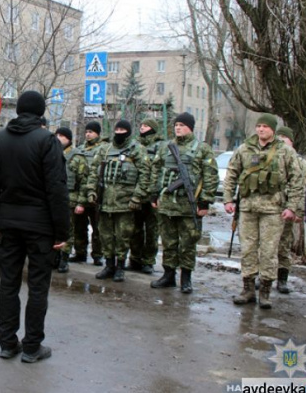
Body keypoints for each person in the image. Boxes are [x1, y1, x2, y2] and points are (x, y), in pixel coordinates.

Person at [0, 91, 69, 363]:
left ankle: (7, 343)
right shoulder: (47, 141)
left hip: (8, 222)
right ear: (41, 111)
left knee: (7, 284)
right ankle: (32, 346)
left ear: (18, 110)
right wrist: (61, 231)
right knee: (38, 286)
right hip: (40, 226)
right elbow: (57, 189)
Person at [224, 114, 304, 309]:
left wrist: (292, 207)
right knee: (248, 250)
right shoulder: (244, 149)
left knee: (268, 252)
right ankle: (248, 289)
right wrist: (228, 199)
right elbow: (231, 173)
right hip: (248, 208)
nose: (260, 130)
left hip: (273, 209)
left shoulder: (284, 151)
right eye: (258, 126)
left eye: (265, 127)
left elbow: (297, 180)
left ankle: (266, 291)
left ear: (273, 130)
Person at [149, 112, 218, 294]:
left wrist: (204, 202)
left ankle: (186, 278)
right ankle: (168, 275)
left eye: (181, 125)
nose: (177, 127)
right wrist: (154, 194)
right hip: (167, 204)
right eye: (176, 125)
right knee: (168, 242)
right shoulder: (166, 147)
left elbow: (210, 176)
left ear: (190, 127)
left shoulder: (202, 149)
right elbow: (155, 170)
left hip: (189, 205)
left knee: (188, 244)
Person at [86, 120, 150, 282]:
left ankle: (120, 266)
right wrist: (91, 191)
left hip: (126, 203)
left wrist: (137, 197)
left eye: (123, 129)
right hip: (105, 201)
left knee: (123, 236)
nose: (119, 132)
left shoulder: (137, 150)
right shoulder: (105, 149)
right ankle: (109, 265)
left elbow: (145, 175)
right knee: (105, 235)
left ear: (128, 132)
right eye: (117, 129)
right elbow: (94, 172)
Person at [274, 126, 306, 293]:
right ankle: (264, 275)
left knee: (284, 245)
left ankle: (282, 278)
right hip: (271, 208)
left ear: (291, 141)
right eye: (279, 137)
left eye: (285, 137)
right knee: (266, 246)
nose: (281, 140)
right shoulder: (272, 157)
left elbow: (304, 189)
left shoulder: (301, 163)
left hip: (288, 209)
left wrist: (299, 211)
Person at [129, 118, 165, 274]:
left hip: (152, 196)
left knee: (152, 231)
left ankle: (148, 261)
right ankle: (135, 259)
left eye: (146, 126)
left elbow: (159, 171)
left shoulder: (161, 146)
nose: (142, 128)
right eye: (141, 125)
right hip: (136, 194)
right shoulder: (135, 145)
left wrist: (154, 192)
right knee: (135, 230)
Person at [69, 121, 105, 265]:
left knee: (97, 228)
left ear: (97, 133)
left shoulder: (103, 149)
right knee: (79, 226)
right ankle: (80, 252)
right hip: (80, 194)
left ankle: (97, 255)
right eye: (87, 131)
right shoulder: (80, 149)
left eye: (91, 131)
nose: (88, 134)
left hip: (96, 194)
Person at [55, 126, 87, 273]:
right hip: (54, 199)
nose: (58, 138)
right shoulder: (51, 154)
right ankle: (55, 256)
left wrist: (81, 202)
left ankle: (64, 259)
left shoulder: (77, 157)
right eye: (57, 135)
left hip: (70, 198)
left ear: (68, 139)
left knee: (68, 230)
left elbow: (83, 181)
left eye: (62, 136)